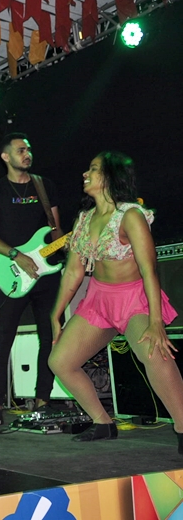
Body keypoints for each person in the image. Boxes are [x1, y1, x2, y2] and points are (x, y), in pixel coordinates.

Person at [49, 152, 183, 447]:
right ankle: (103, 422)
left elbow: (149, 269)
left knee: (154, 353)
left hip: (134, 299)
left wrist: (156, 321)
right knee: (60, 361)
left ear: (110, 176)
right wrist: (55, 315)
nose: (85, 173)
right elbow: (73, 271)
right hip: (99, 300)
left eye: (93, 169)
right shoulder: (84, 219)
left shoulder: (130, 216)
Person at [0, 133, 63, 427]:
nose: (27, 154)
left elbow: (55, 231)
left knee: (50, 337)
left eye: (28, 149)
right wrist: (17, 255)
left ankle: (43, 402)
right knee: (3, 339)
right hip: (11, 272)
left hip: (45, 275)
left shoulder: (44, 185)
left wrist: (70, 245)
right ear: (6, 157)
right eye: (20, 150)